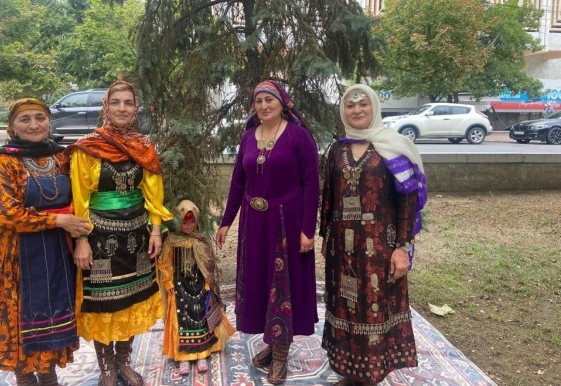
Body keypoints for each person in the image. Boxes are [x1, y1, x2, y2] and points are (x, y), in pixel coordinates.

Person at [319, 84, 427, 386]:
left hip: (379, 247)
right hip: (341, 249)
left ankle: (372, 374)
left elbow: (407, 201)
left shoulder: (392, 147)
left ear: (374, 107)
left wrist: (402, 248)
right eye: (350, 105)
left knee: (373, 307)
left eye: (363, 104)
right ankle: (353, 372)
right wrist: (325, 235)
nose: (356, 110)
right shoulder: (337, 150)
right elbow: (328, 196)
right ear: (344, 111)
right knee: (346, 304)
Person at [0, 98, 91, 386]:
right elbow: (7, 213)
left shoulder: (61, 157)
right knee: (19, 317)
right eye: (24, 119)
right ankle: (26, 379)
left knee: (53, 312)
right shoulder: (3, 161)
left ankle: (49, 376)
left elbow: (81, 198)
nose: (33, 125)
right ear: (12, 126)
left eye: (39, 118)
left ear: (49, 121)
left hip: (56, 251)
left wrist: (79, 235)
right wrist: (58, 221)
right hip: (17, 253)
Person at [215, 80, 320, 385]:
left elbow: (311, 184)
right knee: (261, 282)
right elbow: (238, 182)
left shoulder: (299, 136)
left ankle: (281, 353)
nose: (263, 106)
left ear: (282, 103)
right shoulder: (249, 137)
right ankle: (272, 343)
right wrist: (226, 222)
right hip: (255, 224)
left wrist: (307, 229)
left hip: (288, 223)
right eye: (258, 101)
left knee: (284, 284)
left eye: (269, 100)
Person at [69, 80, 173, 386]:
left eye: (128, 103)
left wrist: (156, 231)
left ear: (136, 107)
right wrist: (81, 239)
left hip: (138, 235)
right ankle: (106, 368)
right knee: (102, 302)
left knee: (133, 297)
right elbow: (80, 196)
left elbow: (154, 193)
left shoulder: (144, 146)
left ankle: (123, 362)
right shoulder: (88, 147)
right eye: (115, 102)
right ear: (106, 106)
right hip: (99, 237)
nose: (122, 108)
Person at [159, 199, 235, 375]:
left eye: (192, 222)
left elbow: (208, 264)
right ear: (178, 222)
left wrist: (208, 282)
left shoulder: (200, 240)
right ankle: (183, 357)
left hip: (199, 287)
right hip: (179, 287)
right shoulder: (171, 241)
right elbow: (165, 264)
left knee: (202, 318)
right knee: (181, 320)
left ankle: (202, 353)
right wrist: (169, 283)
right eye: (184, 223)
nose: (188, 226)